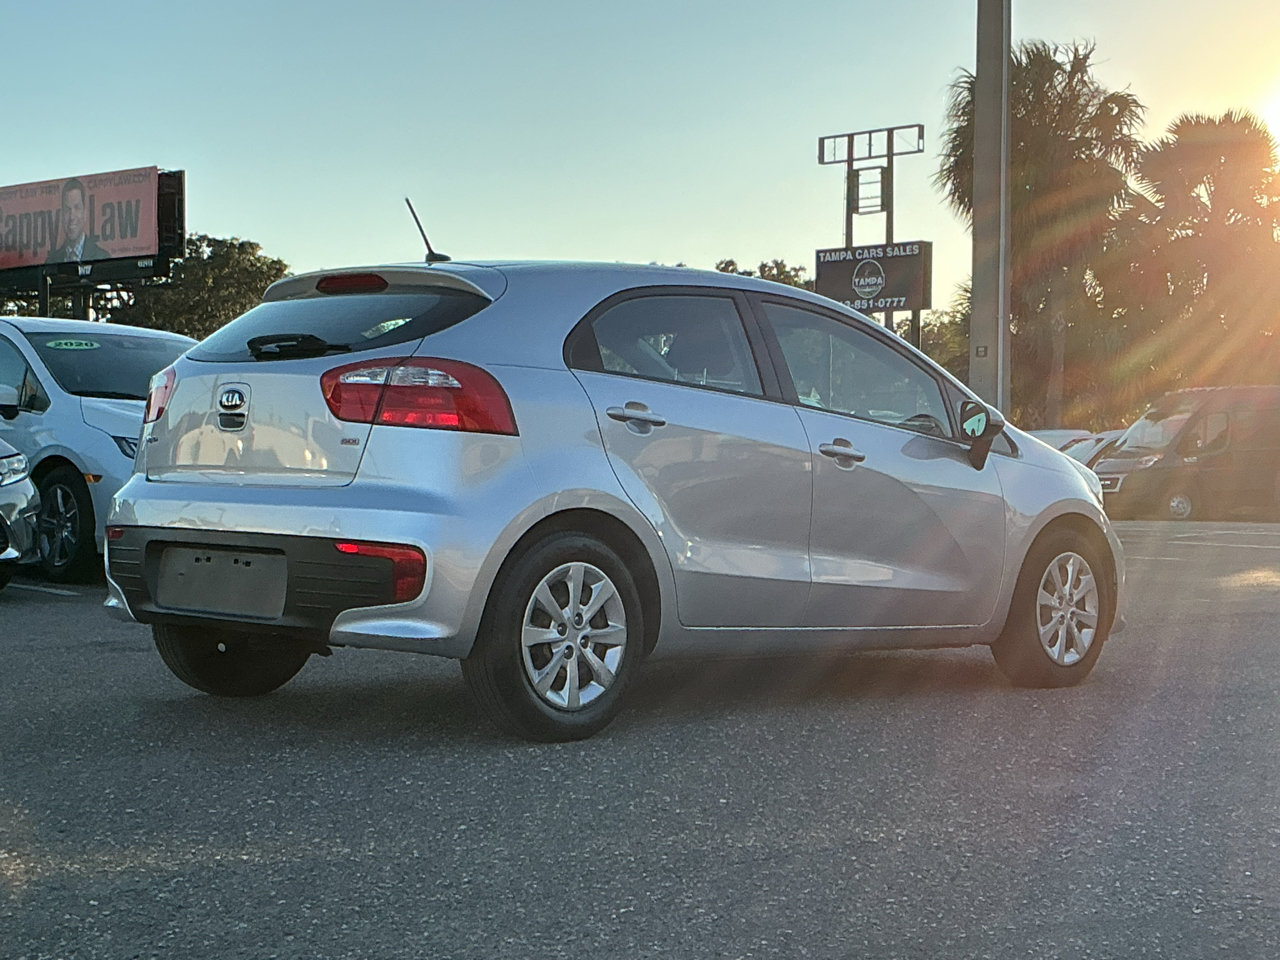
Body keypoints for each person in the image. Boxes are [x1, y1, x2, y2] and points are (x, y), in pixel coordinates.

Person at [45, 178, 109, 263]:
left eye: (77, 208)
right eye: (67, 210)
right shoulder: (51, 262)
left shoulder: (102, 257)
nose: (72, 217)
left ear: (85, 213)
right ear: (62, 215)